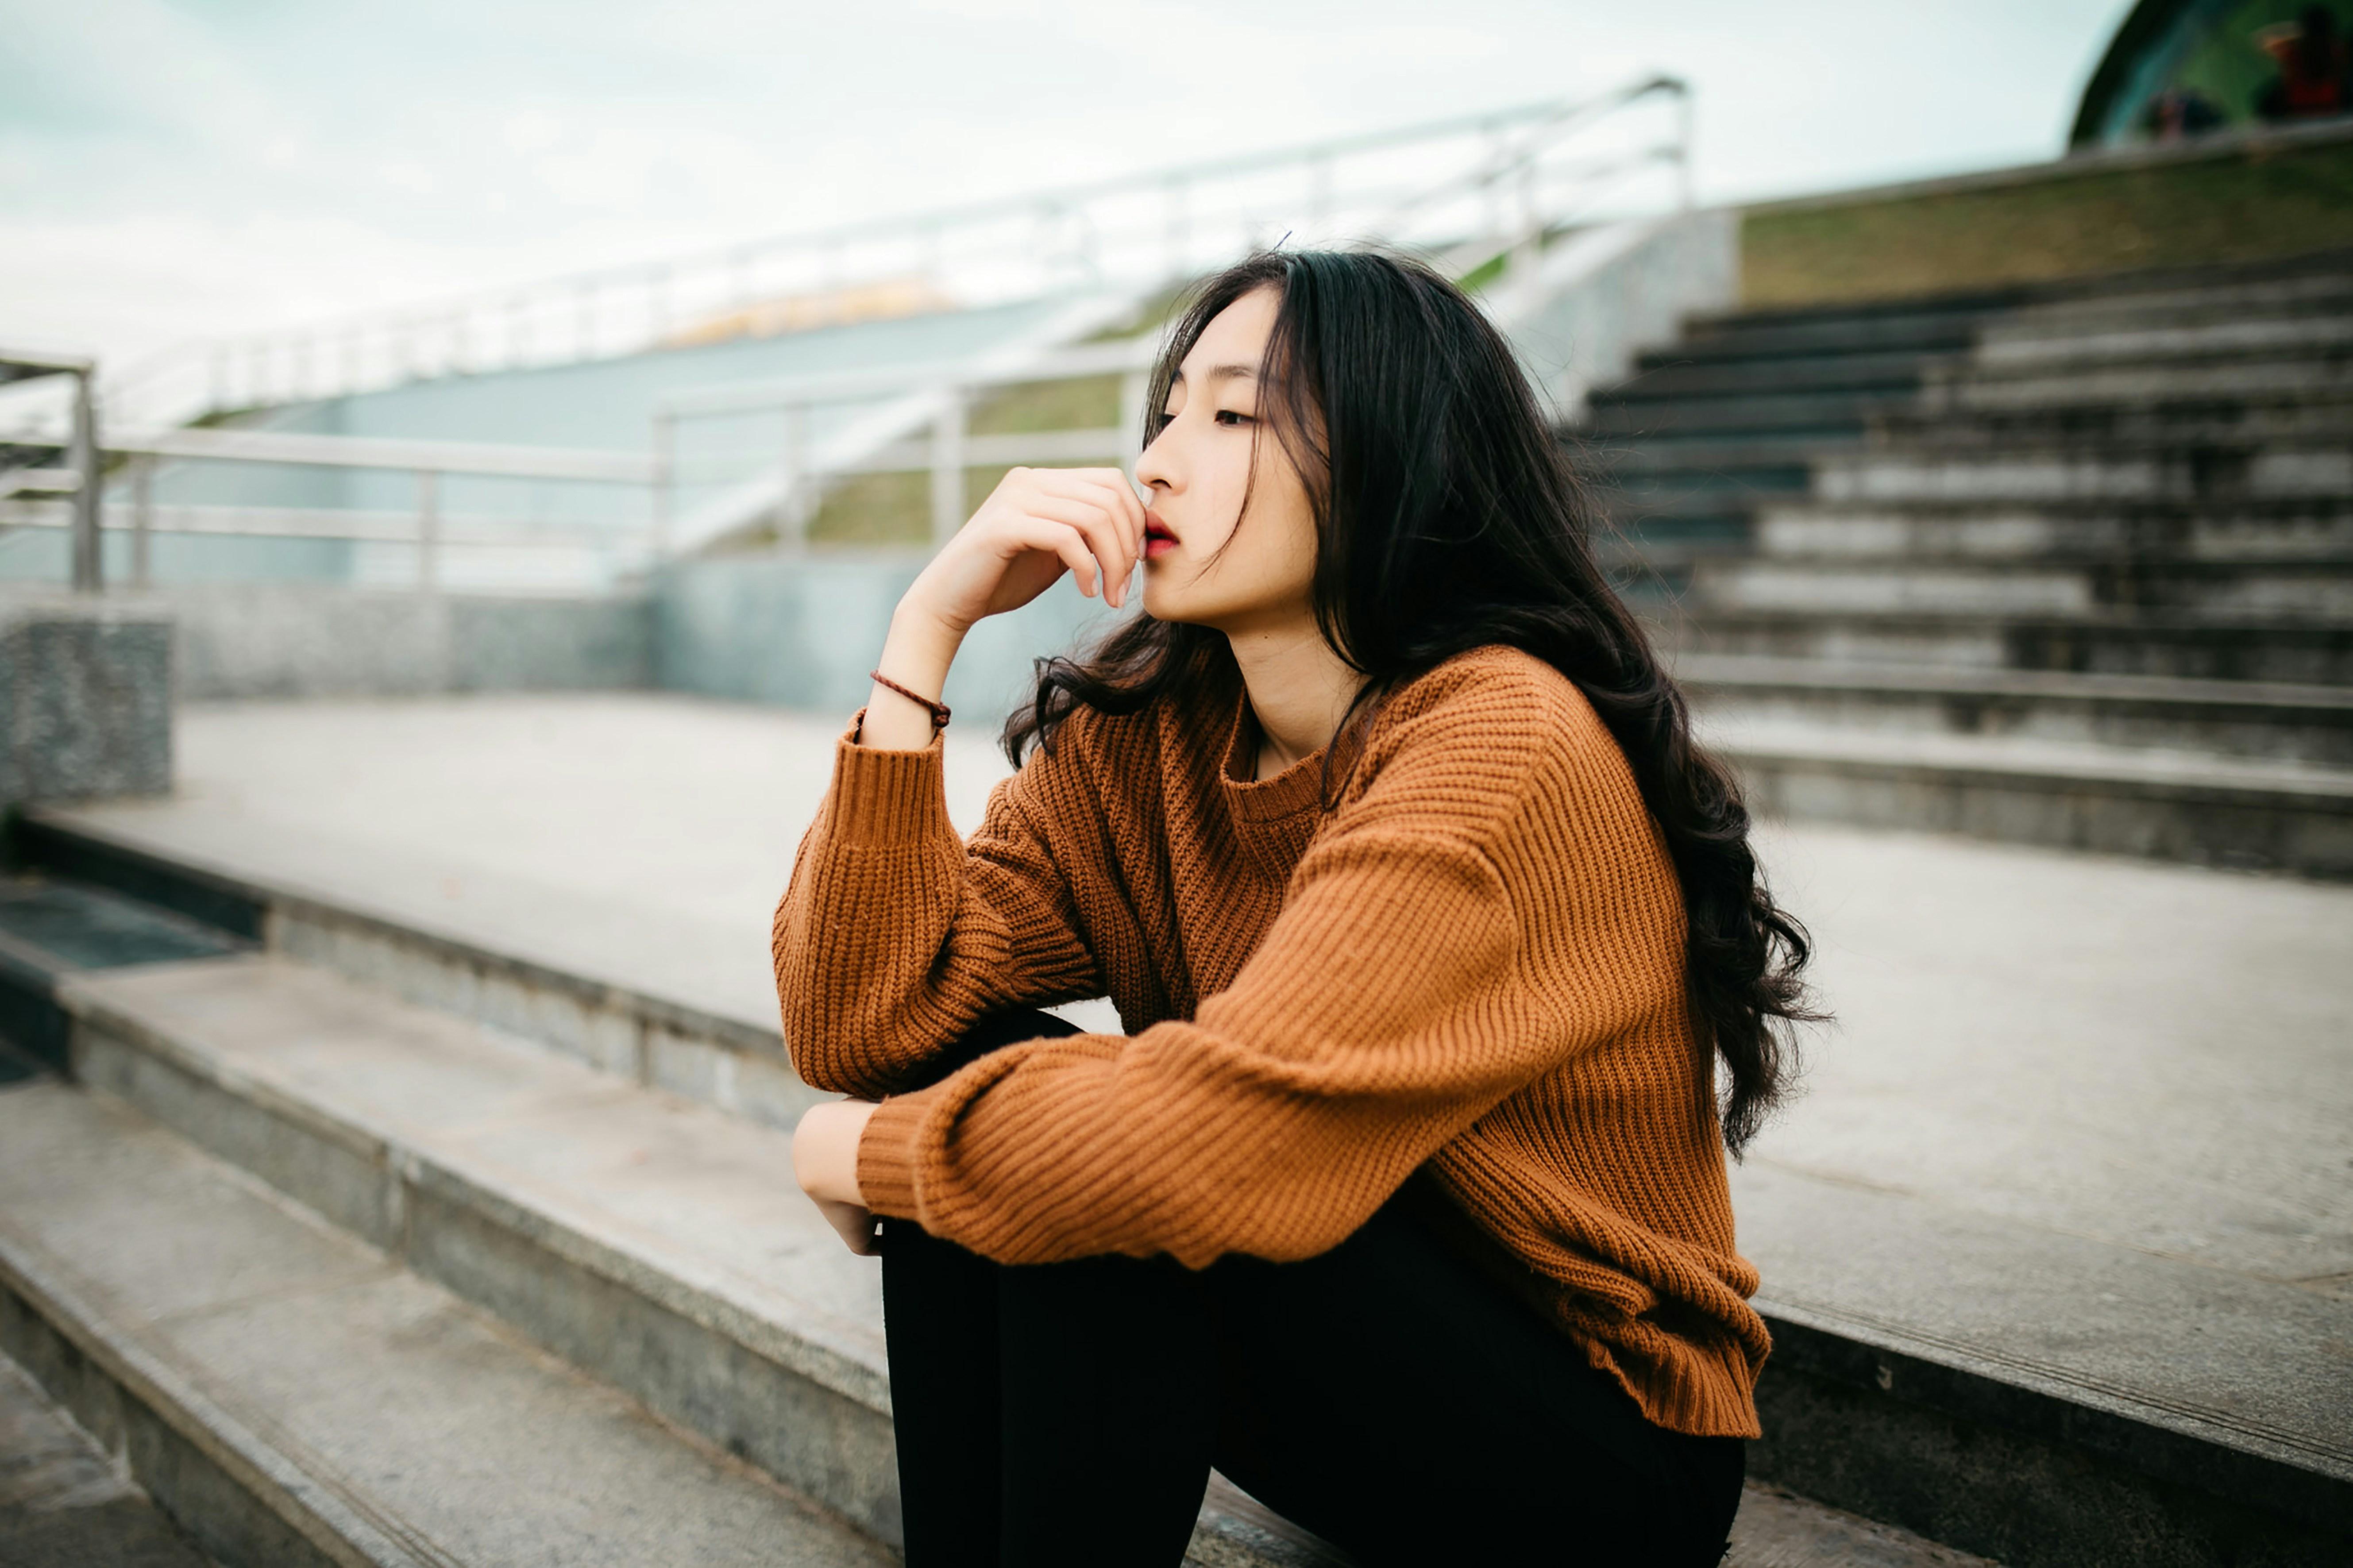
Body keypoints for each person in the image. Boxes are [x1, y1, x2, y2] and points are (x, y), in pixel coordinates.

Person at [774, 249, 1818, 1567]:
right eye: (1163, 413)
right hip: (1334, 1335)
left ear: (1390, 459)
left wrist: (865, 1154)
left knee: (1110, 1161)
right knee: (1006, 1095)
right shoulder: (1147, 734)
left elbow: (1219, 1139)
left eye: (1229, 417)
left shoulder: (1501, 741)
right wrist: (921, 631)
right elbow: (862, 1021)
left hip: (1589, 1432)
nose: (1155, 461)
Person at [2256, 6, 2352, 122]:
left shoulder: (2336, 51)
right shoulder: (2297, 51)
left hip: (2330, 102)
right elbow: (2264, 41)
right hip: (2299, 102)